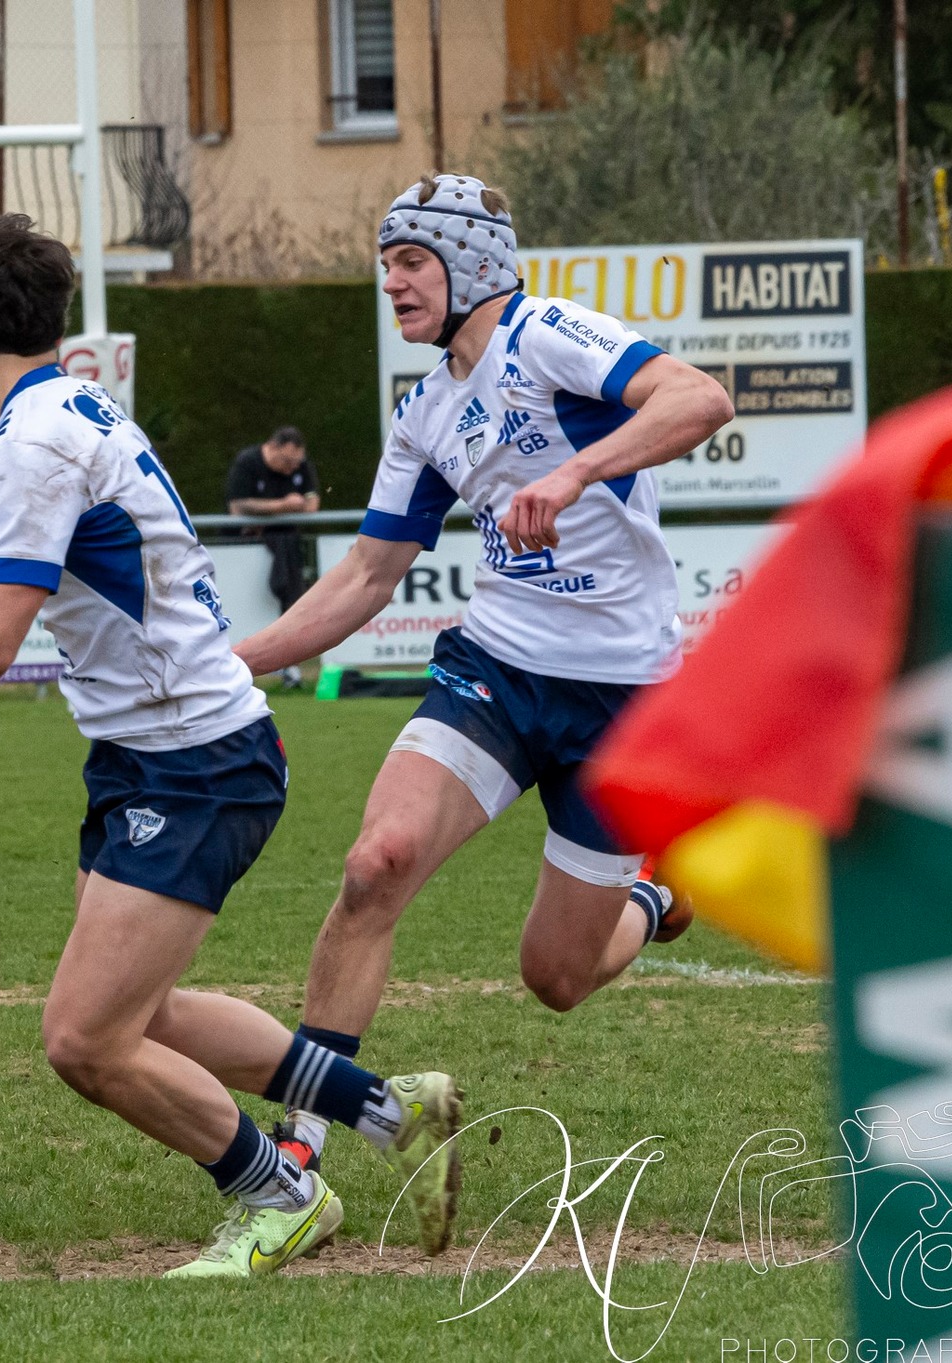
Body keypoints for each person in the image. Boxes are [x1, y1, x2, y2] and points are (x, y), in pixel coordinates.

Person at [0, 213, 466, 1276]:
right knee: (145, 1011)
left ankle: (280, 1194)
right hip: (159, 753)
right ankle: (385, 1109)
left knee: (85, 1038)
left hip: (191, 761)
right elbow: (55, 578)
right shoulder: (59, 417)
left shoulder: (31, 444)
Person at [234, 174, 731, 1165]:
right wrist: (223, 664)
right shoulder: (424, 412)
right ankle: (301, 1144)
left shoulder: (544, 335)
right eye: (384, 265)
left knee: (557, 977)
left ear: (470, 264)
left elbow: (699, 397)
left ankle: (649, 896)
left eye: (410, 262)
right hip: (495, 670)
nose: (391, 283)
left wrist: (574, 469)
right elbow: (366, 577)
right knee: (374, 864)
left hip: (621, 699)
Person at [225, 427, 319, 687]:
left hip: (287, 548)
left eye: (296, 463)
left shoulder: (301, 465)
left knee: (289, 597)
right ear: (273, 447)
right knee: (245, 608)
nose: (292, 469)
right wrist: (284, 506)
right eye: (287, 462)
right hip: (243, 551)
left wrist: (268, 513)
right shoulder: (247, 462)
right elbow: (237, 507)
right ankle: (234, 667)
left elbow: (312, 505)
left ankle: (289, 668)